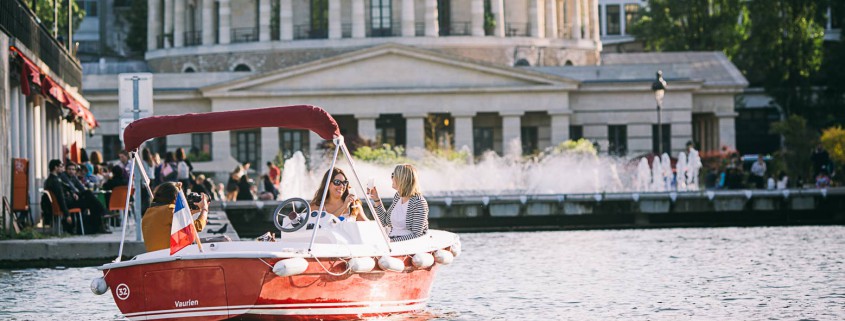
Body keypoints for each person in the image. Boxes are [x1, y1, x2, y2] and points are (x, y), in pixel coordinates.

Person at [367, 164, 429, 241]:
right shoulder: (398, 196)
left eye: (393, 175)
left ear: (402, 179)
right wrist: (376, 199)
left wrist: (393, 241)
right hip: (392, 241)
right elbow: (384, 222)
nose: (391, 178)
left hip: (407, 246)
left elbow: (416, 235)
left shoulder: (418, 202)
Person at [141, 182, 208, 252]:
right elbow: (197, 227)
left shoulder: (148, 213)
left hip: (153, 257)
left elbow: (171, 225)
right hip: (169, 257)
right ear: (175, 197)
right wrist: (204, 209)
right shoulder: (170, 210)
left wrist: (190, 213)